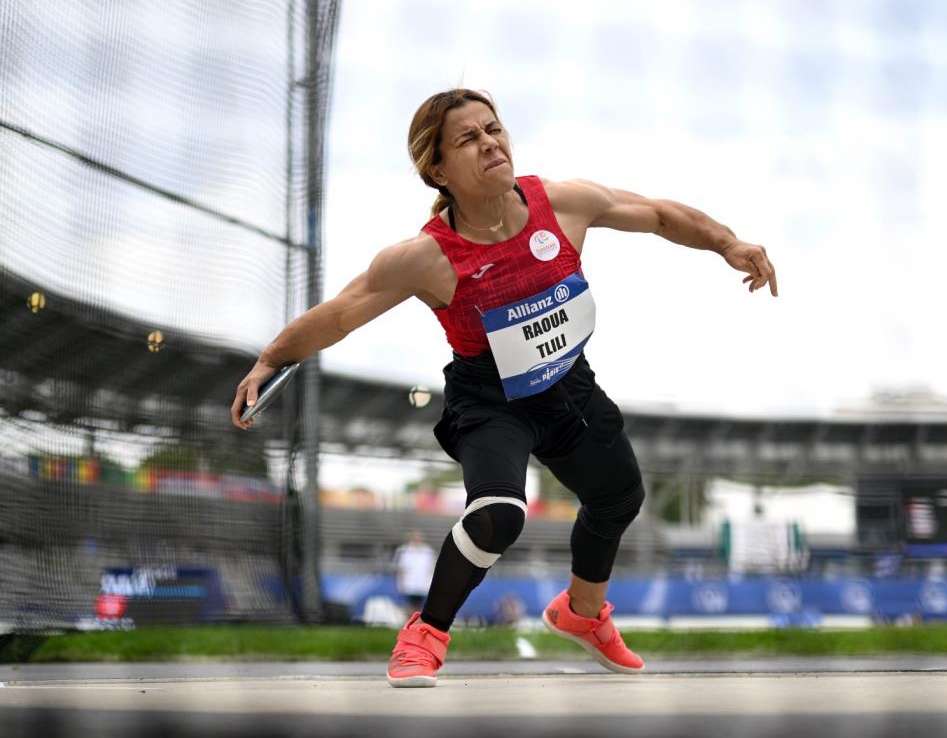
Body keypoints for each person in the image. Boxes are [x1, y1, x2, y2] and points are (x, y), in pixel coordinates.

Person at [230, 88, 778, 687]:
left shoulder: (563, 204)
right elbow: (339, 314)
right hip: (491, 402)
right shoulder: (425, 257)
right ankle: (426, 634)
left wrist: (729, 242)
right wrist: (269, 360)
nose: (490, 141)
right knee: (498, 513)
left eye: (493, 129)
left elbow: (659, 214)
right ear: (437, 169)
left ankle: (582, 615)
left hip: (571, 388)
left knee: (621, 496)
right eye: (469, 138)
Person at [393, 531, 436, 615]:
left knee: (420, 606)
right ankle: (408, 624)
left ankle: (416, 624)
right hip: (409, 583)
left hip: (423, 583)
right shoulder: (403, 550)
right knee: (409, 605)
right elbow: (399, 567)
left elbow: (432, 567)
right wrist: (400, 581)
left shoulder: (428, 551)